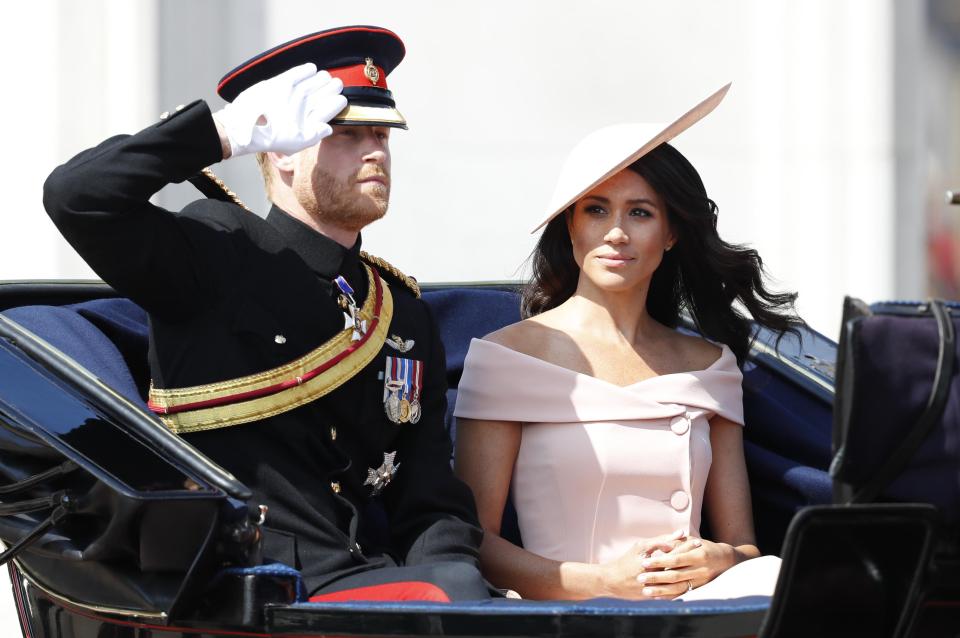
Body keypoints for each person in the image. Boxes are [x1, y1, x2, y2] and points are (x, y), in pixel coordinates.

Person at [43, 26, 490, 602]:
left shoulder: (401, 313)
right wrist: (224, 133)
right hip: (250, 584)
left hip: (365, 584)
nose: (375, 150)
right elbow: (78, 197)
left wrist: (452, 591)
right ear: (280, 148)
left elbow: (429, 500)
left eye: (381, 133)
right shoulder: (217, 251)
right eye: (346, 134)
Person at [453, 84, 802, 601]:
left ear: (671, 233)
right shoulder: (506, 357)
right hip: (565, 617)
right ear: (570, 226)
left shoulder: (711, 365)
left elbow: (743, 545)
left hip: (699, 616)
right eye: (596, 210)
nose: (616, 232)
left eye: (640, 212)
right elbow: (473, 543)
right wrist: (600, 582)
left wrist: (720, 557)